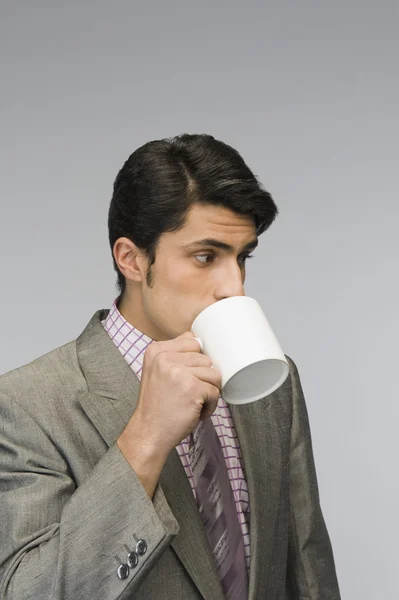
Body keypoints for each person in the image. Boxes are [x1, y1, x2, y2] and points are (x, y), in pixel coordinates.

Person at [0, 134, 341, 599]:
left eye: (242, 257)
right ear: (133, 259)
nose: (234, 287)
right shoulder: (27, 405)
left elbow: (307, 568)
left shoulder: (274, 379)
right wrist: (145, 437)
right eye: (206, 256)